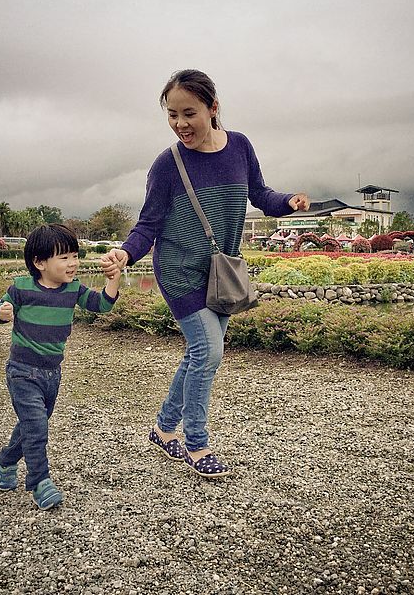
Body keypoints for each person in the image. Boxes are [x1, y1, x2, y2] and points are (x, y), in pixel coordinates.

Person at [100, 69, 310, 478]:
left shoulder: (240, 147)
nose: (180, 124)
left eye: (189, 113)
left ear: (213, 108)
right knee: (209, 352)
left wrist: (289, 201)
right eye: (172, 115)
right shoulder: (167, 164)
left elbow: (261, 195)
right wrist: (126, 253)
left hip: (221, 269)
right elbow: (149, 224)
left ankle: (163, 428)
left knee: (199, 353)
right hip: (179, 269)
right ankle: (196, 444)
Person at [0, 223, 120, 510]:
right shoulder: (21, 288)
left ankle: (5, 461)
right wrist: (2, 312)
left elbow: (102, 305)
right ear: (40, 262)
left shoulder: (72, 290)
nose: (73, 263)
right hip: (22, 370)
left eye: (74, 255)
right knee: (36, 427)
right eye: (64, 257)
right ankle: (40, 481)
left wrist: (113, 279)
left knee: (32, 425)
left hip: (52, 373)